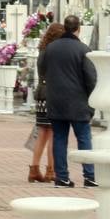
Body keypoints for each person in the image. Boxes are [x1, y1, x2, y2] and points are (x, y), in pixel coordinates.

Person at [39, 14, 97, 188]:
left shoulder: (49, 49)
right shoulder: (83, 50)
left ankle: (62, 177)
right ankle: (89, 176)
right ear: (78, 29)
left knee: (59, 139)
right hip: (78, 101)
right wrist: (91, 99)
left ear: (65, 28)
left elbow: (41, 70)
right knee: (84, 138)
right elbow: (91, 78)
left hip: (56, 99)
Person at [28, 22, 67, 182]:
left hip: (41, 93)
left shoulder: (42, 50)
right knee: (53, 133)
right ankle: (51, 170)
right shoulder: (54, 51)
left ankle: (34, 169)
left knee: (42, 133)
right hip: (52, 93)